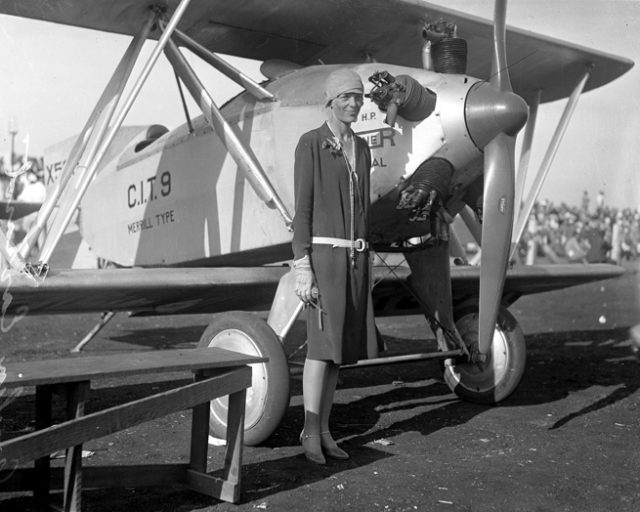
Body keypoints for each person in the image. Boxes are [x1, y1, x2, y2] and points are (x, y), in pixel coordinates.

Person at [292, 68, 378, 464]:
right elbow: (303, 211)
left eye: (358, 97)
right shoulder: (310, 144)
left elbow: (362, 210)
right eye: (346, 97)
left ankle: (325, 431)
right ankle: (309, 432)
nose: (354, 103)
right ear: (330, 100)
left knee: (339, 349)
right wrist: (302, 266)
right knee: (321, 348)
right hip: (324, 260)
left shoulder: (361, 147)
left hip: (355, 260)